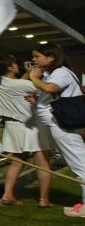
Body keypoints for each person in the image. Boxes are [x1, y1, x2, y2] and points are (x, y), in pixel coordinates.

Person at [27, 43, 85, 216]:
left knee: (79, 164)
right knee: (79, 161)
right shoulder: (57, 73)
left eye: (37, 56)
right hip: (62, 123)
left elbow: (51, 88)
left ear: (51, 57)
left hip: (62, 125)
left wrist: (33, 77)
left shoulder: (60, 72)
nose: (34, 60)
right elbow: (51, 93)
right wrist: (37, 98)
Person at [0, 53, 52, 207]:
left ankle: (7, 195)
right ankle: (44, 199)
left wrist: (27, 73)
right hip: (31, 125)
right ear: (10, 67)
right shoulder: (19, 85)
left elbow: (17, 84)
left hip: (12, 126)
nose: (17, 65)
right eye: (15, 63)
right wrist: (35, 74)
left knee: (17, 162)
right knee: (43, 162)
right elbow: (47, 89)